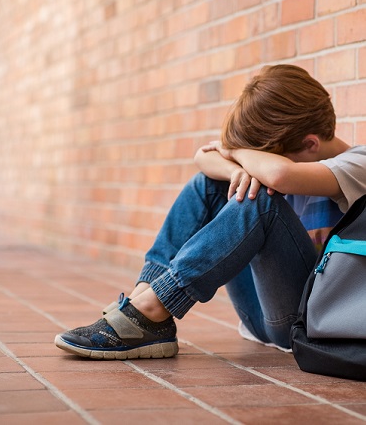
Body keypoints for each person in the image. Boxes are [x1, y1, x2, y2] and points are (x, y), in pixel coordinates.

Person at [54, 64, 366, 359]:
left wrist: (233, 152)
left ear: (310, 144)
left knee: (261, 201)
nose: (254, 162)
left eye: (262, 157)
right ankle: (145, 300)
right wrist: (233, 170)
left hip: (305, 321)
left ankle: (152, 308)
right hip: (258, 316)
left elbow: (279, 175)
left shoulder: (358, 163)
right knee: (210, 184)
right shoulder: (282, 160)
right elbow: (203, 157)